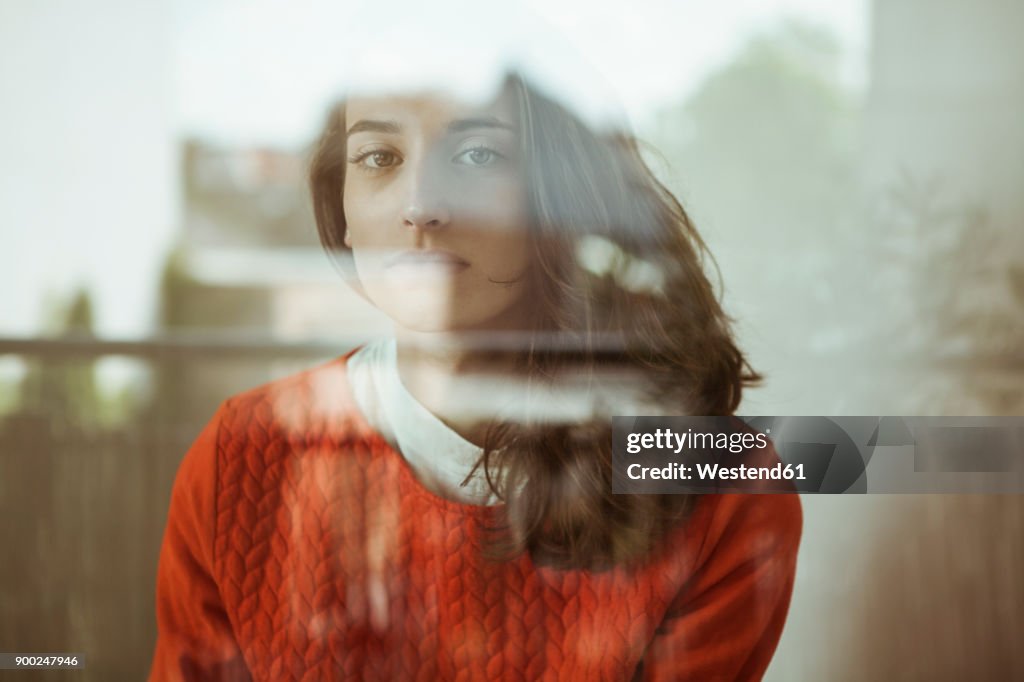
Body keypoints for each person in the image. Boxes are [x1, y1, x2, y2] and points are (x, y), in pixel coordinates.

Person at [148, 70, 802, 681]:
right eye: (379, 158)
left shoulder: (729, 485)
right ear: (341, 210)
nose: (422, 207)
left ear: (557, 200)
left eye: (478, 156)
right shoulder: (239, 457)